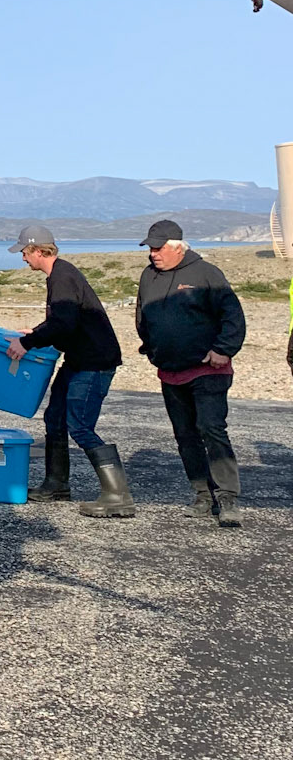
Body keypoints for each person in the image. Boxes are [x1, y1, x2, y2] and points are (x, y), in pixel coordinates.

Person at [6, 224, 133, 517]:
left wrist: (27, 342)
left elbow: (64, 323)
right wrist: (38, 331)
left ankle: (118, 495)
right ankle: (56, 484)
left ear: (39, 251)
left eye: (24, 252)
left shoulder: (62, 277)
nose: (23, 258)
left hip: (94, 363)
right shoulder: (60, 275)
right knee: (55, 418)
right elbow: (63, 322)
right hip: (78, 360)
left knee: (80, 426)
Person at [134, 219, 247, 528]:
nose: (153, 253)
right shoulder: (148, 276)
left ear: (178, 247)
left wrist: (224, 348)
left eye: (158, 248)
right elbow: (142, 316)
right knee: (185, 435)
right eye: (151, 248)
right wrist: (151, 348)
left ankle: (227, 498)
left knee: (211, 428)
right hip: (170, 370)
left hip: (209, 368)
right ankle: (202, 494)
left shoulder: (207, 273)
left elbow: (233, 315)